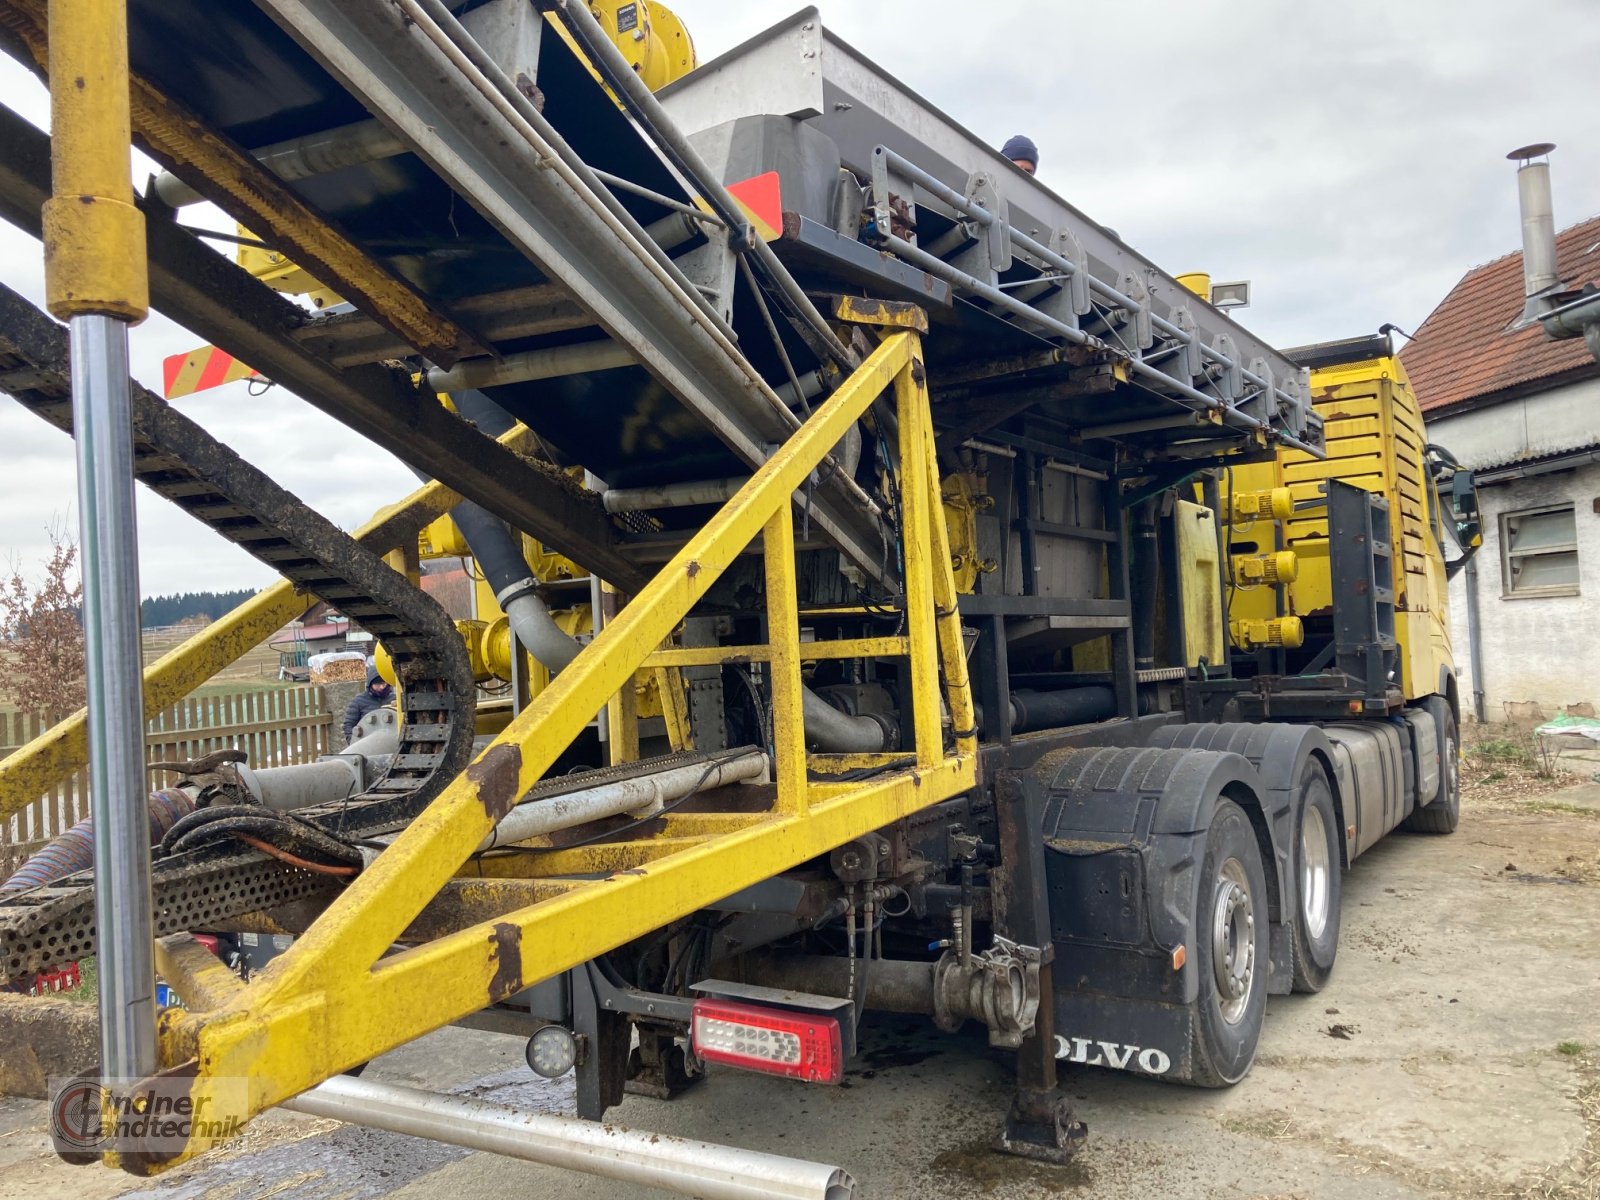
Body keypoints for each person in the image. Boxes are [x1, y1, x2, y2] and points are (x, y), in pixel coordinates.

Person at [342, 665, 394, 744]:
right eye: (377, 684)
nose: (381, 687)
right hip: (367, 742)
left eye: (383, 683)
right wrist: (353, 743)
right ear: (370, 684)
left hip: (391, 741)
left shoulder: (394, 699)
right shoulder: (359, 701)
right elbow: (349, 725)